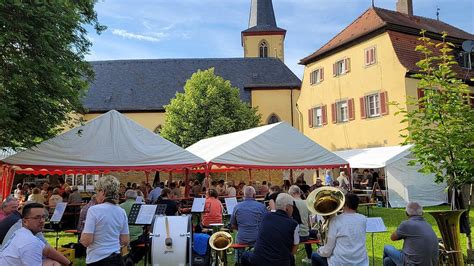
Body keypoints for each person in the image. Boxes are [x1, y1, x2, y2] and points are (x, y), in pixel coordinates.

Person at [80, 175, 129, 265]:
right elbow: (125, 240)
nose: (96, 195)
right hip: (117, 258)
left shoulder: (94, 210)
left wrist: (82, 237)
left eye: (97, 191)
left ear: (103, 192)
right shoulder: (121, 211)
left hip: (98, 258)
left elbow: (86, 241)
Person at [0, 203, 70, 266]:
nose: (42, 221)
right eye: (37, 218)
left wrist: (69, 263)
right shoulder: (31, 242)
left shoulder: (21, 231)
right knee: (54, 263)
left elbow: (47, 250)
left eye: (43, 217)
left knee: (51, 261)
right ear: (25, 221)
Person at [241, 193, 299, 266]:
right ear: (287, 208)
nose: (293, 209)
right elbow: (295, 246)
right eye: (292, 207)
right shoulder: (294, 224)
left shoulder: (266, 216)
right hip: (280, 262)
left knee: (245, 255)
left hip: (259, 261)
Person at [311, 193, 368, 266]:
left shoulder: (335, 221)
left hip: (341, 262)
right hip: (361, 262)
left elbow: (328, 251)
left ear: (345, 204)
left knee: (314, 256)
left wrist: (320, 250)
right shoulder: (363, 219)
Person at [383, 202, 438, 266]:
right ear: (422, 213)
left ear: (406, 213)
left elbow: (392, 238)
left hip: (412, 263)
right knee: (387, 261)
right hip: (429, 263)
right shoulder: (427, 224)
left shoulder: (406, 224)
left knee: (387, 247)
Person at [120, 190, 146, 264]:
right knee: (148, 242)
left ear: (125, 197)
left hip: (123, 238)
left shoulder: (120, 207)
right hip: (137, 237)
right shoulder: (141, 206)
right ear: (136, 197)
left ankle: (127, 257)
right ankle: (133, 259)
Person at [288, 185, 312, 263]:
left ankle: (292, 257)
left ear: (293, 193)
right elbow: (310, 221)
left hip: (294, 236)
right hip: (305, 235)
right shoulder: (306, 203)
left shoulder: (291, 203)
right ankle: (309, 257)